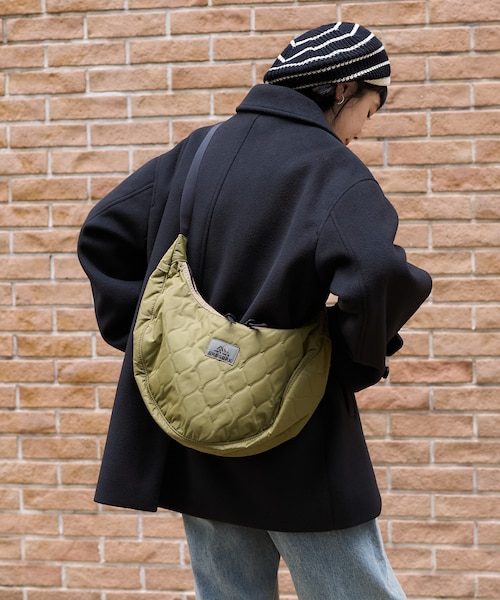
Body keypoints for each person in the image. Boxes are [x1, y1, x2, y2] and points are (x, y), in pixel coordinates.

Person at [78, 22, 432, 599]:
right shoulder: (331, 169)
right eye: (369, 111)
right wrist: (350, 360)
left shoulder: (200, 149)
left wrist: (146, 333)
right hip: (296, 428)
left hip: (195, 415)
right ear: (343, 89)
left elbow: (103, 230)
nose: (361, 132)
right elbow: (376, 275)